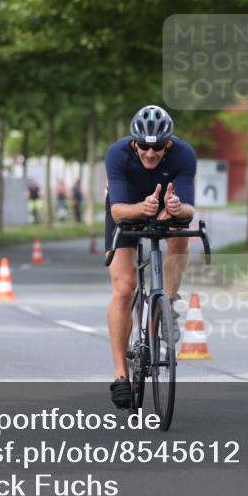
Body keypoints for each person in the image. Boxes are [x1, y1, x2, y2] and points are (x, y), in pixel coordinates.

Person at [104, 105, 196, 409]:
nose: (150, 153)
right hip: (126, 209)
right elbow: (117, 211)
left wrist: (174, 207)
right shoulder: (117, 154)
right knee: (124, 288)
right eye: (143, 146)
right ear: (134, 142)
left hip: (164, 207)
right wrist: (140, 209)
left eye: (157, 147)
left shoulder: (184, 154)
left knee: (181, 238)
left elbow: (189, 211)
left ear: (168, 142)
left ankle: (166, 306)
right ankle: (120, 375)